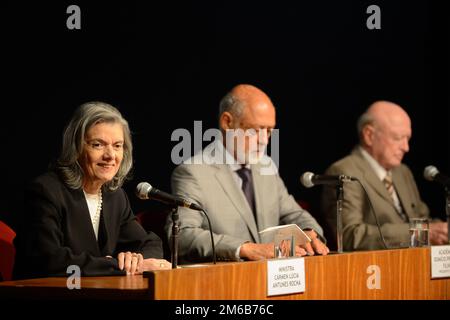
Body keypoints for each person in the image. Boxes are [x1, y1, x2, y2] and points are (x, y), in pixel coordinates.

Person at [166, 84, 329, 263]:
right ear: (227, 122)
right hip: (227, 283)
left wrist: (308, 235)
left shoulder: (266, 167)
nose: (264, 141)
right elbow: (182, 235)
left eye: (269, 131)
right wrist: (244, 249)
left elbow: (297, 215)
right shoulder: (193, 172)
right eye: (256, 130)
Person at [14, 102, 171, 279]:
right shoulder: (46, 191)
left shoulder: (114, 197)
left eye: (118, 145)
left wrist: (137, 261)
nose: (110, 155)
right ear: (76, 148)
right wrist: (118, 266)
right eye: (98, 145)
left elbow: (149, 243)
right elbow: (50, 261)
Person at [321, 101, 448, 251]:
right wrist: (419, 232)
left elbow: (423, 219)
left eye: (407, 139)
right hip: (377, 267)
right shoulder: (344, 171)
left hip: (416, 262)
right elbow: (351, 236)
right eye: (397, 137)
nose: (406, 147)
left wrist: (442, 230)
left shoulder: (402, 172)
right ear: (369, 135)